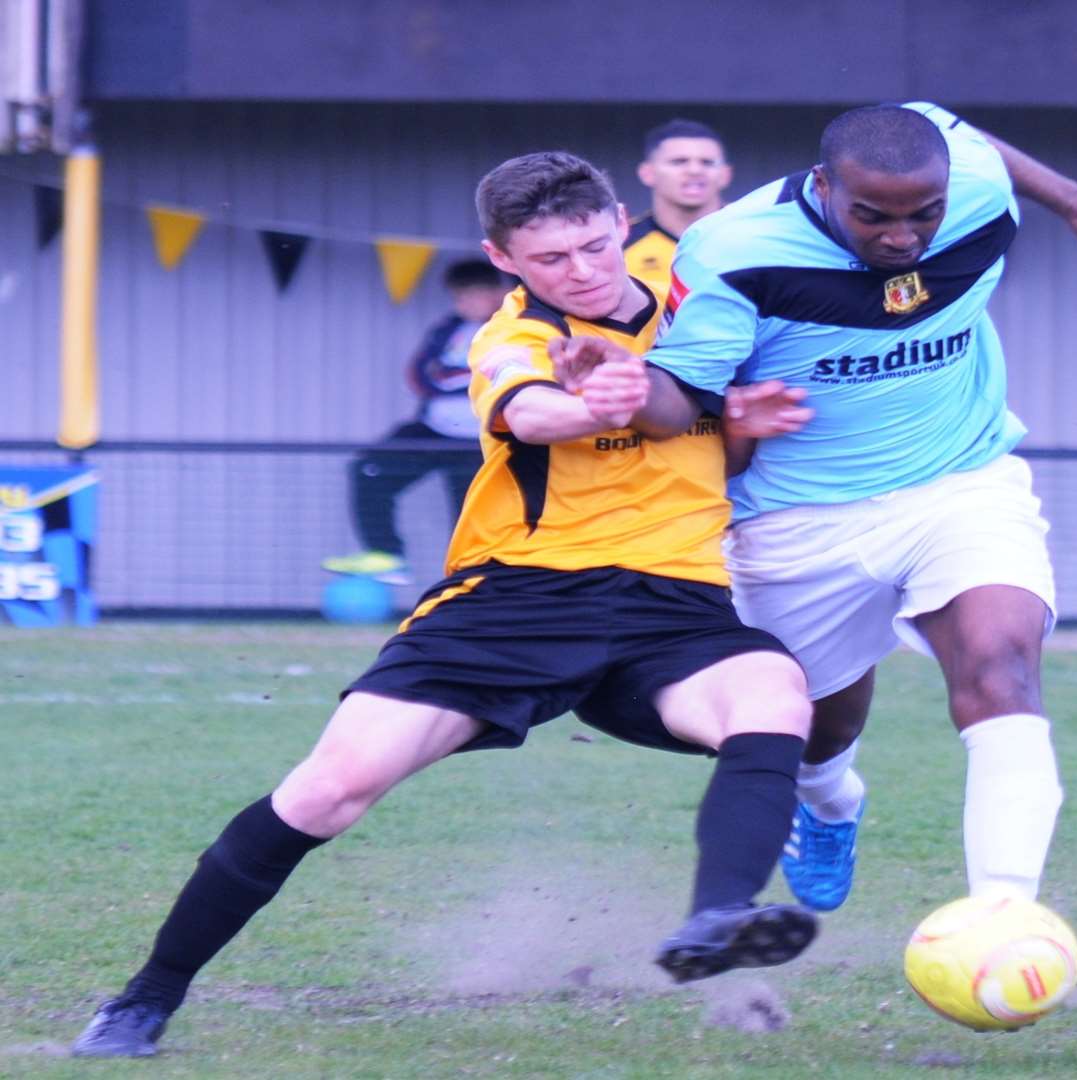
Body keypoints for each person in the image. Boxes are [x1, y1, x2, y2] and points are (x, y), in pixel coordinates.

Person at [71, 151, 820, 1058]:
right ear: (503, 258)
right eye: (550, 260)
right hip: (518, 598)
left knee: (775, 697)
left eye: (591, 246)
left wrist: (737, 424)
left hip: (676, 602)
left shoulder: (700, 309)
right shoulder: (511, 335)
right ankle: (144, 1000)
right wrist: (595, 400)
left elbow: (705, 449)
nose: (580, 271)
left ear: (621, 220)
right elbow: (534, 415)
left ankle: (716, 920)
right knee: (329, 793)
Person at [592, 102, 1077, 915]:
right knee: (818, 725)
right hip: (794, 516)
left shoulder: (977, 188)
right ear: (823, 186)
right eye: (873, 216)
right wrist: (625, 386)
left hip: (961, 481)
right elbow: (682, 395)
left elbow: (948, 123)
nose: (901, 239)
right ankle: (828, 801)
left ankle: (1003, 915)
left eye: (923, 213)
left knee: (1001, 667)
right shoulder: (731, 250)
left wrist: (1073, 200)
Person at [322, 259, 512, 586]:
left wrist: (453, 378)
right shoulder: (447, 329)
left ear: (497, 293)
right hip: (434, 432)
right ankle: (386, 555)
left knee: (471, 516)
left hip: (481, 439)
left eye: (474, 295)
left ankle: (474, 586)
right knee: (370, 469)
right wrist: (456, 379)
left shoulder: (512, 326)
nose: (465, 304)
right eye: (459, 297)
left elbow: (500, 375)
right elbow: (420, 374)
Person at [625, 118, 733, 301]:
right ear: (647, 173)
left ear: (725, 174)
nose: (694, 170)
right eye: (679, 161)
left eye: (707, 163)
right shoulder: (620, 243)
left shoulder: (759, 236)